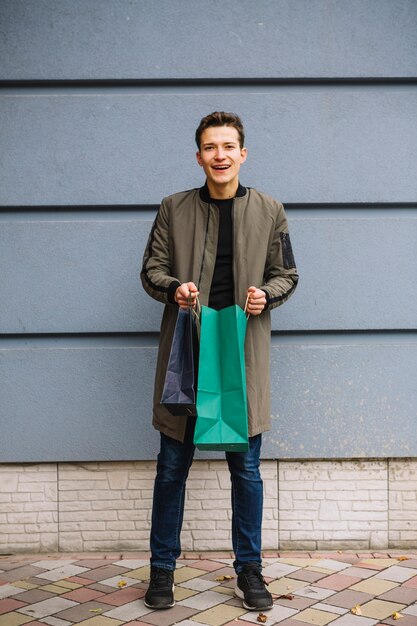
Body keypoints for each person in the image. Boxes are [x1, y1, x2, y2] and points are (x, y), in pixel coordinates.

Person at [141, 111, 298, 611]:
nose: (220, 155)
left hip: (241, 353)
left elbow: (288, 274)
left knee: (246, 472)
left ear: (243, 153)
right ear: (199, 156)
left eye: (229, 146)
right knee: (171, 469)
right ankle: (162, 571)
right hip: (188, 354)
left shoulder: (270, 210)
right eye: (211, 147)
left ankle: (249, 571)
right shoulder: (173, 208)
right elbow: (151, 269)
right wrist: (173, 288)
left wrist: (266, 296)